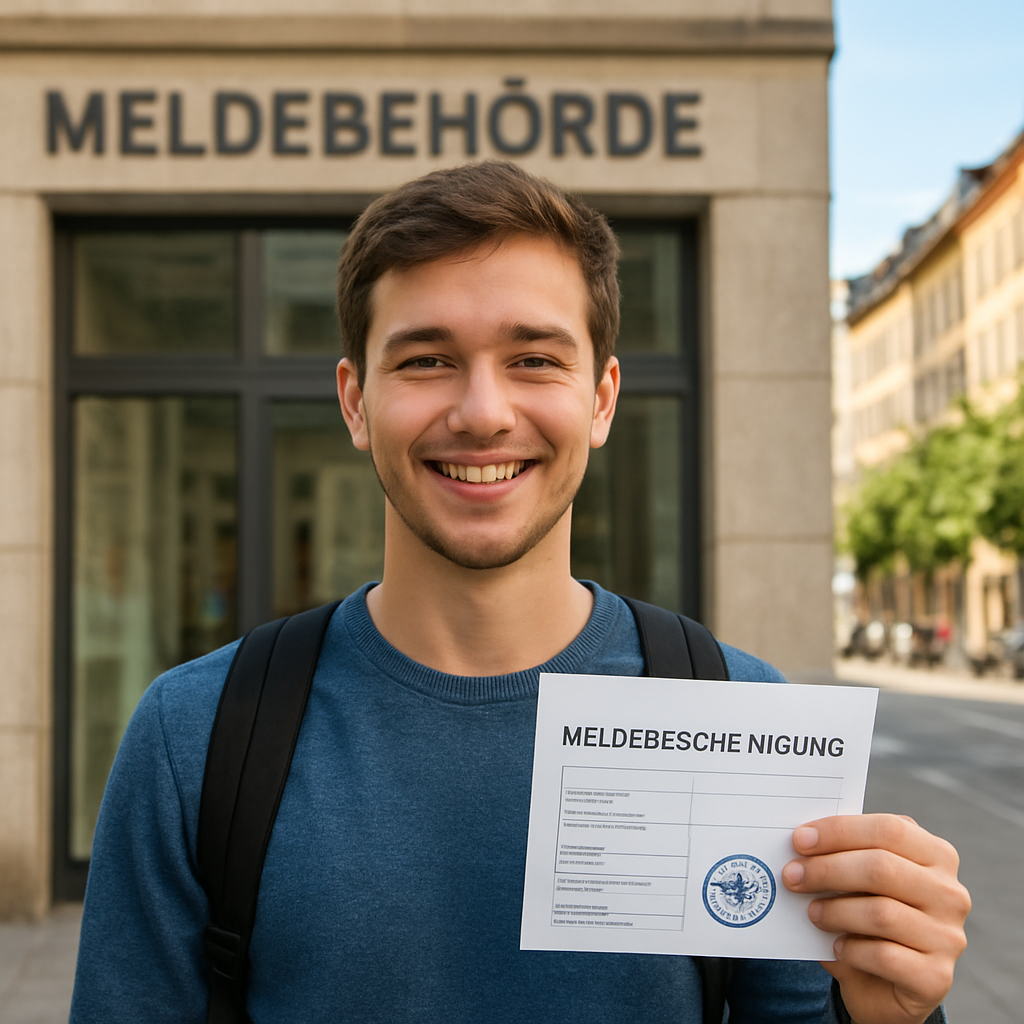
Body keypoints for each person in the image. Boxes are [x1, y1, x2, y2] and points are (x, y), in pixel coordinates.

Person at [70, 161, 969, 1024]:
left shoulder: (736, 718)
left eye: (535, 359)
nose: (484, 411)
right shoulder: (196, 736)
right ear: (353, 402)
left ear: (603, 399)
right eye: (426, 360)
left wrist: (888, 1017)